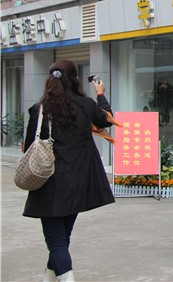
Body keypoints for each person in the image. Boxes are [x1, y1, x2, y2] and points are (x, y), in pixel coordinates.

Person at [22, 60, 116, 282]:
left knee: (56, 241)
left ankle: (67, 279)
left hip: (49, 183)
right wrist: (100, 94)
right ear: (75, 79)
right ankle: (49, 278)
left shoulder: (40, 109)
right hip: (78, 182)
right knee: (62, 238)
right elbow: (107, 120)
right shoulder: (86, 104)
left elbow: (28, 146)